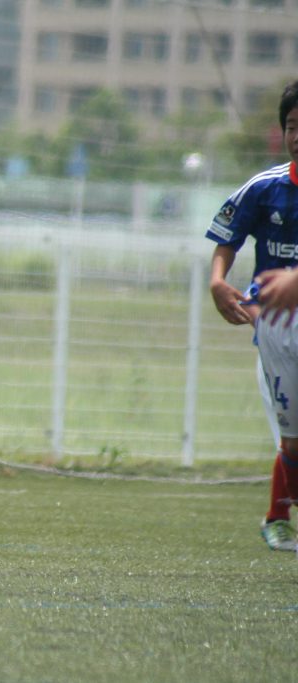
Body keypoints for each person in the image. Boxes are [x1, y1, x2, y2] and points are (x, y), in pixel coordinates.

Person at [206, 78, 298, 551]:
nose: (297, 134)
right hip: (278, 329)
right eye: (291, 125)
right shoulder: (265, 188)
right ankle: (278, 516)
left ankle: (277, 514)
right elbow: (227, 238)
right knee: (293, 443)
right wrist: (218, 281)